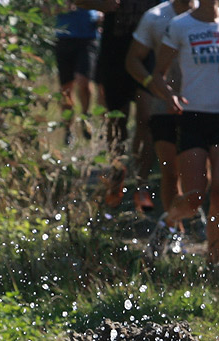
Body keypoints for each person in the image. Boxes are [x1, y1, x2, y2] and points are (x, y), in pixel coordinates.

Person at [147, 0, 219, 266]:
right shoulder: (180, 25)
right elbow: (158, 74)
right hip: (193, 117)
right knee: (195, 197)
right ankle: (168, 221)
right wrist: (169, 96)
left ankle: (213, 262)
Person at [77, 0, 158, 209]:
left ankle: (142, 184)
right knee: (116, 120)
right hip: (115, 49)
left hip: (149, 51)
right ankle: (116, 174)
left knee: (146, 119)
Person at [126, 0, 196, 235]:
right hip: (163, 105)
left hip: (201, 107)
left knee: (196, 174)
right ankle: (175, 230)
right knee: (170, 171)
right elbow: (133, 59)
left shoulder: (209, 13)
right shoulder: (154, 17)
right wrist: (152, 86)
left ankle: (191, 215)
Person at [53, 2, 101, 147]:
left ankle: (85, 118)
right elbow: (46, 8)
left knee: (83, 81)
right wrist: (61, 7)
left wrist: (100, 14)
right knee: (66, 89)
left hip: (88, 37)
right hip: (64, 37)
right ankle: (68, 129)